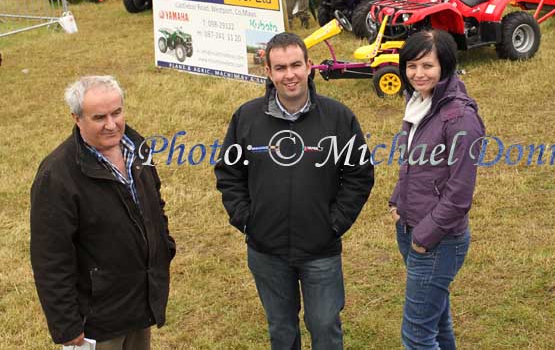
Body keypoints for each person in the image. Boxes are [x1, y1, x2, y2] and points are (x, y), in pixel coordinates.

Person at [215, 32, 374, 350]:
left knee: (325, 326)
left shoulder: (338, 117)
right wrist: (248, 220)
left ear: (309, 66)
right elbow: (229, 173)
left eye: (296, 65)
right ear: (269, 73)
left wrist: (334, 223)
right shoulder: (246, 118)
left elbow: (359, 174)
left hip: (320, 249)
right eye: (281, 67)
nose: (290, 75)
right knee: (282, 330)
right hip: (266, 250)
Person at [30, 76, 176, 350]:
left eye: (117, 113)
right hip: (96, 321)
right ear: (77, 118)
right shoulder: (57, 176)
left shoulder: (137, 147)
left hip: (139, 303)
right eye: (99, 117)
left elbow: (155, 205)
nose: (112, 125)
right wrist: (66, 325)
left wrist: (164, 248)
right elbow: (50, 257)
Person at [389, 30, 485, 350]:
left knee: (416, 337)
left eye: (427, 65)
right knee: (436, 322)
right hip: (412, 226)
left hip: (437, 240)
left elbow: (459, 195)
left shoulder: (459, 118)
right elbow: (414, 162)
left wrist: (423, 238)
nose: (418, 74)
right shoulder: (419, 102)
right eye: (411, 65)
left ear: (445, 65)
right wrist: (397, 200)